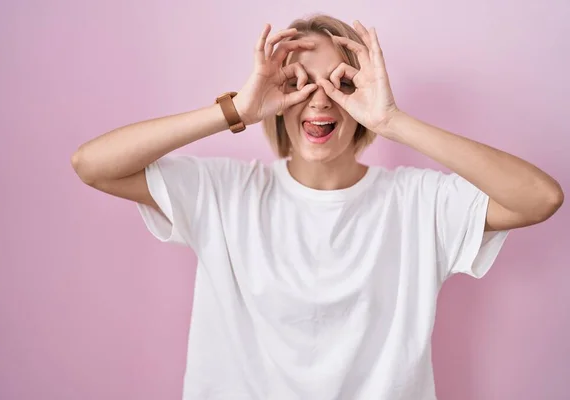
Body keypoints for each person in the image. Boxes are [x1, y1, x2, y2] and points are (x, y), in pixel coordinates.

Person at [71, 14, 563, 400]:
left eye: (341, 83)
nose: (319, 101)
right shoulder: (223, 192)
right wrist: (235, 111)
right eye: (298, 82)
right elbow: (93, 164)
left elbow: (540, 198)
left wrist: (392, 121)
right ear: (276, 97)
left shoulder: (419, 202)